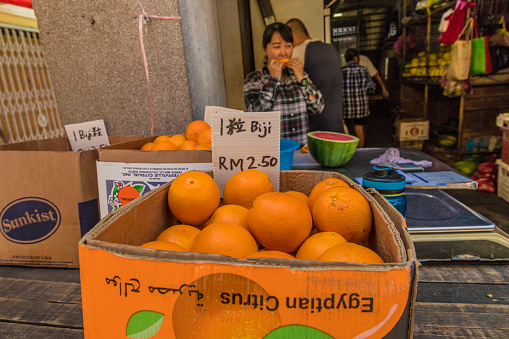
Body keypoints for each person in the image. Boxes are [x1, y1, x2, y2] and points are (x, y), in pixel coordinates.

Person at [244, 22, 324, 146]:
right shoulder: (254, 79)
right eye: (277, 47)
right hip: (271, 155)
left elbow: (318, 107)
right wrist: (274, 81)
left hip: (301, 151)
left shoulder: (298, 74)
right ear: (265, 49)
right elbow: (253, 114)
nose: (283, 53)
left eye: (288, 46)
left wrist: (301, 78)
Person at [286, 18, 345, 133]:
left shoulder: (299, 52)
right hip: (336, 121)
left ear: (291, 37)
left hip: (316, 125)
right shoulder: (330, 48)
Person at [342, 48, 376, 148]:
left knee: (348, 131)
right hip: (361, 108)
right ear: (356, 58)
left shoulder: (341, 71)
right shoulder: (364, 70)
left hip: (346, 109)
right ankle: (360, 151)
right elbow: (372, 88)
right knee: (359, 129)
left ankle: (349, 151)